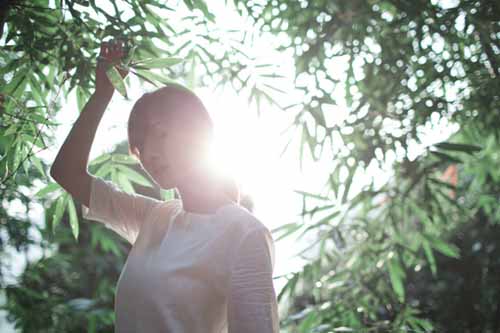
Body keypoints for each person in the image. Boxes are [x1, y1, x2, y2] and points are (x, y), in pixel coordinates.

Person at [50, 39, 279, 333]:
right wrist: (102, 94)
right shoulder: (156, 218)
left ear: (197, 132)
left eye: (160, 134)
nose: (150, 153)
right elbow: (66, 172)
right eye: (140, 146)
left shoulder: (244, 233)